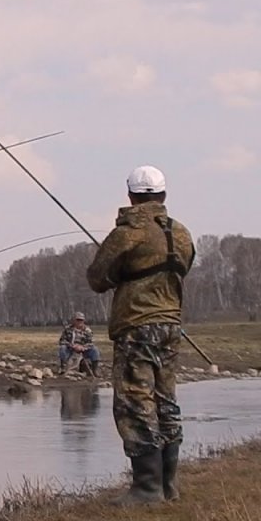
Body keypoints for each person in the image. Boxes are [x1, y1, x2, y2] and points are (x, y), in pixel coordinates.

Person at [87, 165, 195, 505]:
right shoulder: (181, 233)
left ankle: (147, 488)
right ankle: (169, 484)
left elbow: (97, 278)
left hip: (137, 325)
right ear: (163, 195)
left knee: (135, 402)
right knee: (166, 401)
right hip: (170, 326)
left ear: (131, 195)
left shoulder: (128, 232)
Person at [57, 312, 101, 377]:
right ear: (74, 320)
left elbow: (91, 342)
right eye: (78, 320)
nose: (79, 322)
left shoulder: (88, 330)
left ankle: (95, 370)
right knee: (62, 348)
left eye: (81, 320)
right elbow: (62, 341)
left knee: (95, 350)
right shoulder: (67, 329)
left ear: (83, 321)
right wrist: (72, 345)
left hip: (83, 349)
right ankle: (63, 367)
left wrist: (83, 347)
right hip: (70, 349)